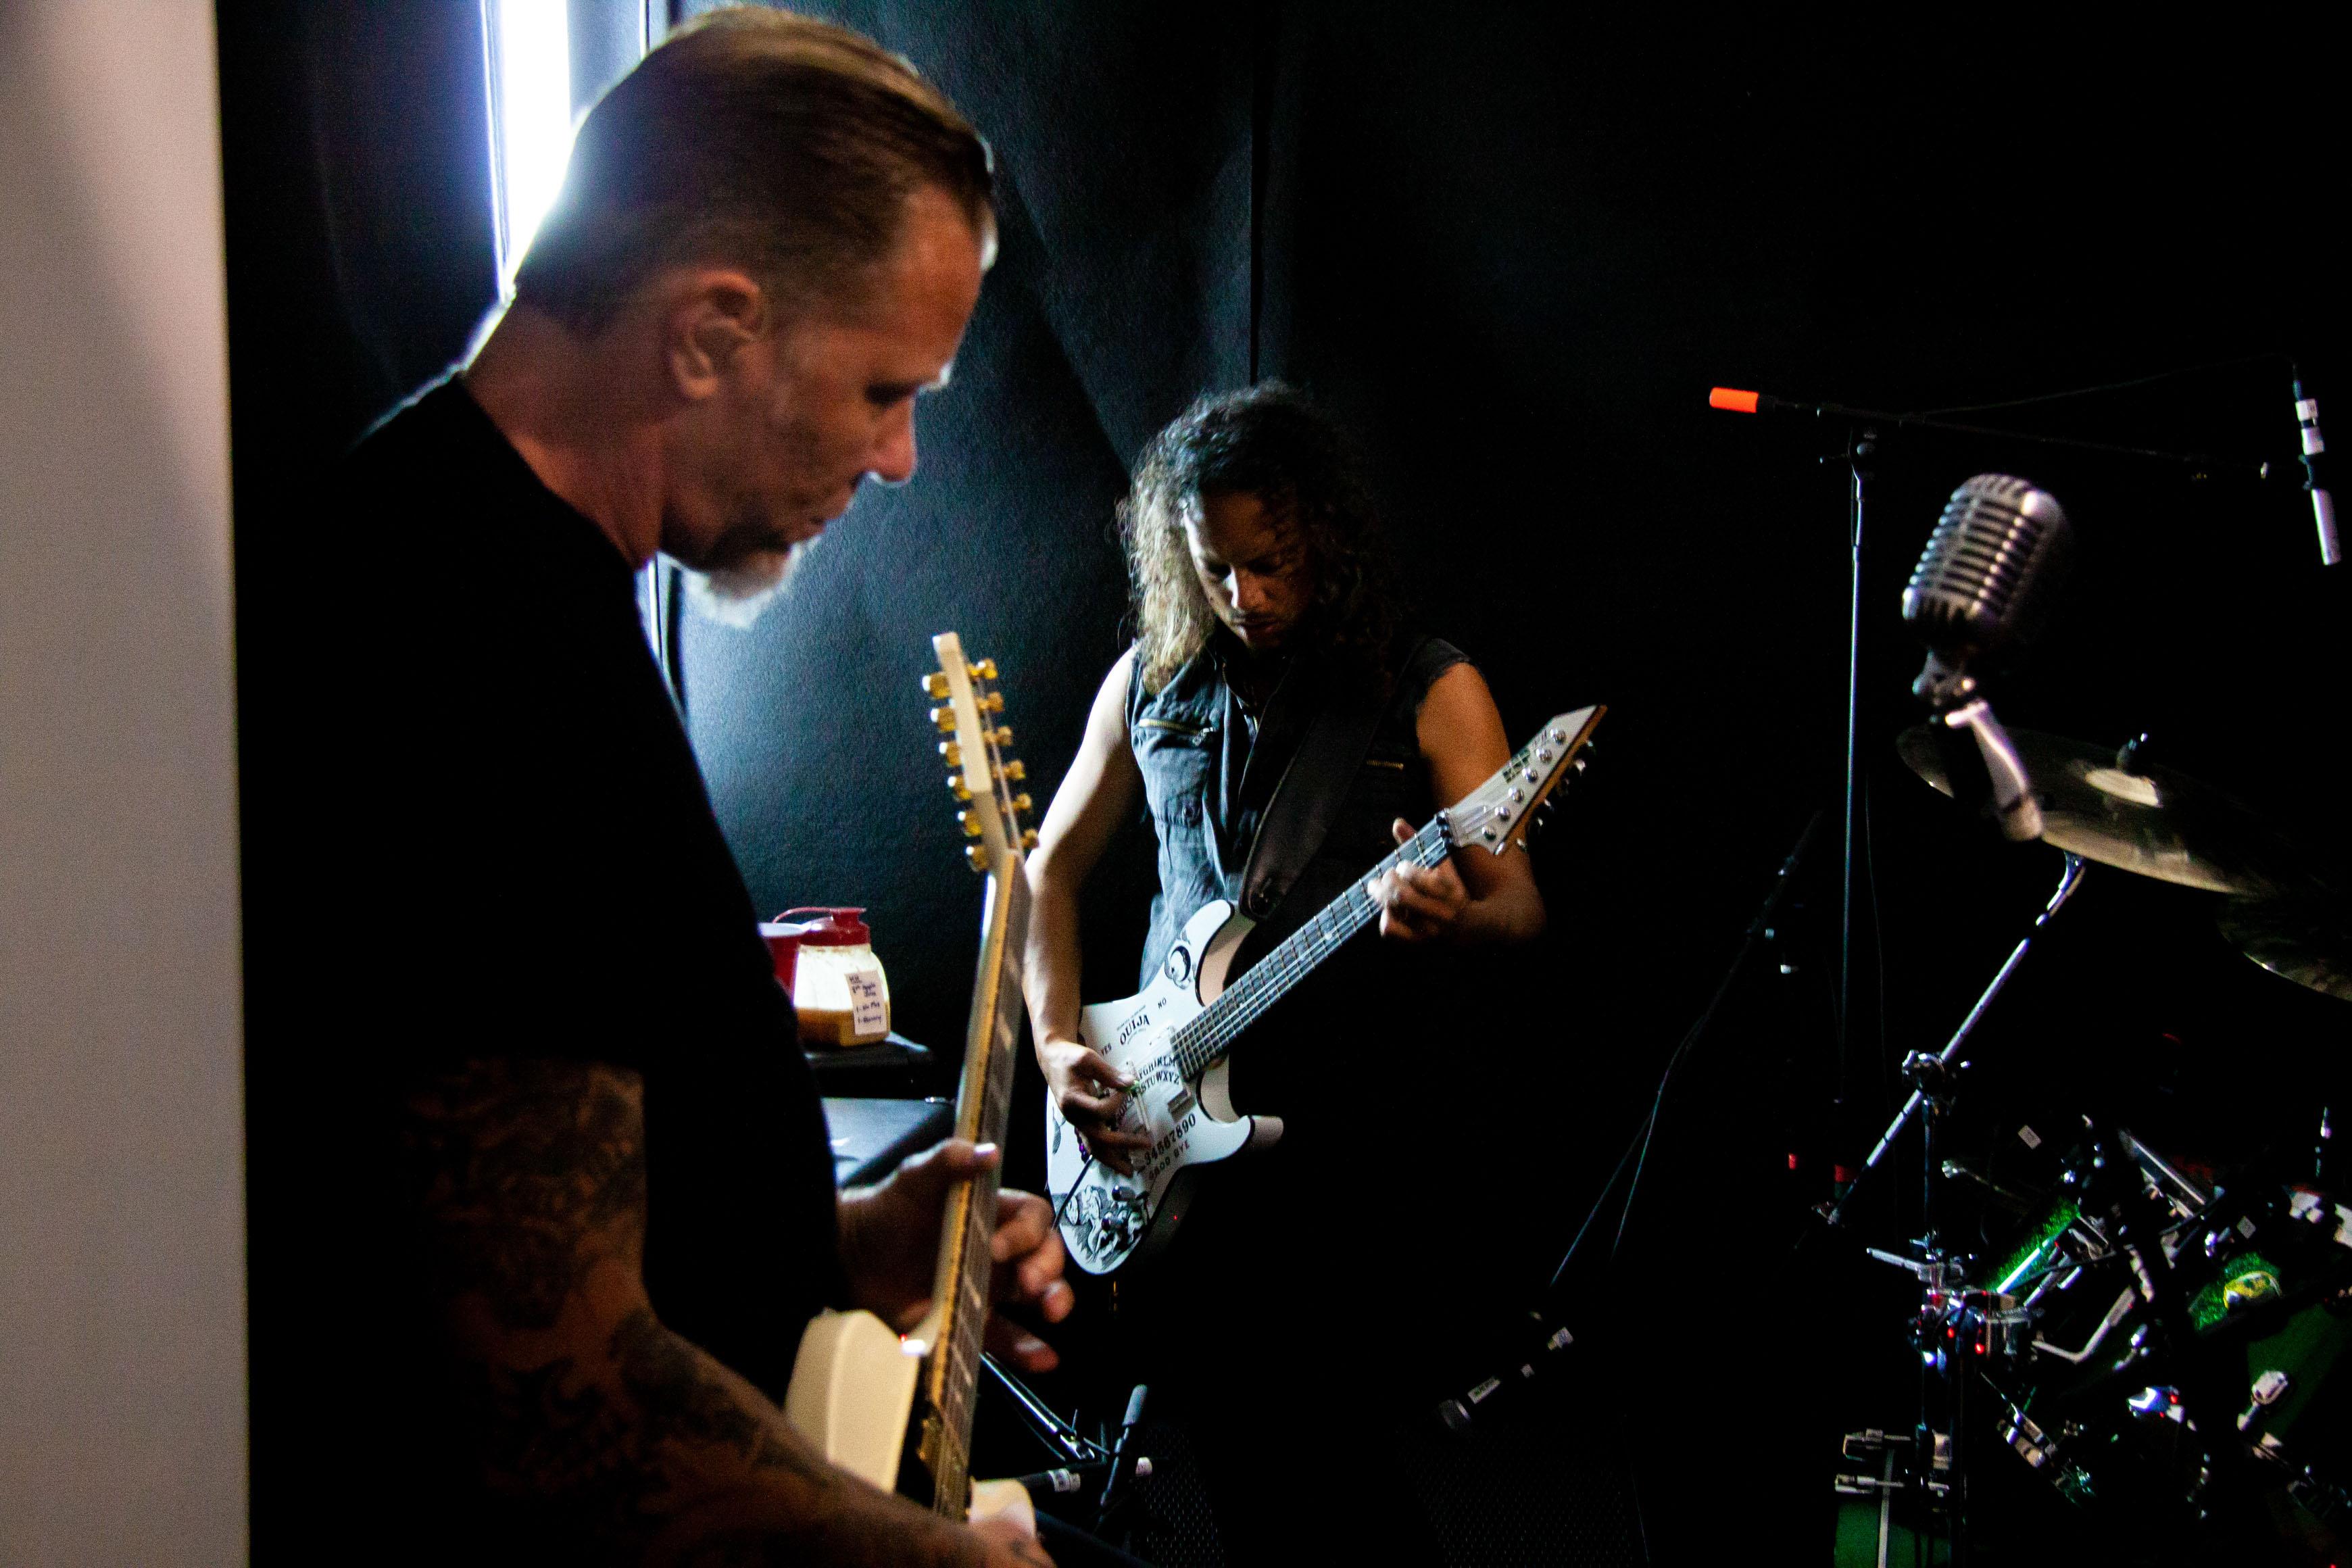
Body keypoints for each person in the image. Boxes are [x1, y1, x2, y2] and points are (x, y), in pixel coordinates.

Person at [266, 13, 1084, 1565]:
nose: (902, 457)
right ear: (711, 332)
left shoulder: (515, 575)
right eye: (883, 388)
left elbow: (599, 1222)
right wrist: (935, 1557)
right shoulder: (462, 635)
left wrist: (844, 1243)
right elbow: (554, 1400)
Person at [1019, 384, 1548, 1560]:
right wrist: (1057, 1043)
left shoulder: (1426, 686)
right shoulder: (1150, 683)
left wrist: (1455, 918)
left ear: (1327, 537)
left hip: (1344, 1156)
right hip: (1172, 1136)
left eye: (1271, 564)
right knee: (1254, 1484)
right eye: (1214, 569)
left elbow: (1518, 907)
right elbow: (1045, 874)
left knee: (1327, 1474)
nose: (1244, 597)